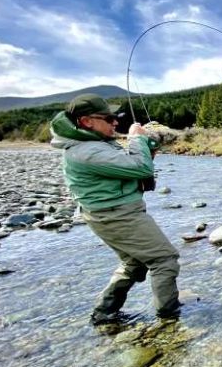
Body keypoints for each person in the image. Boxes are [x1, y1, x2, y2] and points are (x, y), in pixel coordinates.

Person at [50, 93, 181, 324]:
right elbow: (140, 169)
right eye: (108, 118)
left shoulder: (91, 144)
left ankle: (104, 312)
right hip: (117, 215)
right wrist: (137, 139)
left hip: (109, 214)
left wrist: (145, 151)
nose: (115, 122)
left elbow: (128, 169)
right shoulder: (87, 151)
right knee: (164, 259)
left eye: (115, 118)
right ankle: (169, 318)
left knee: (134, 262)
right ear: (86, 121)